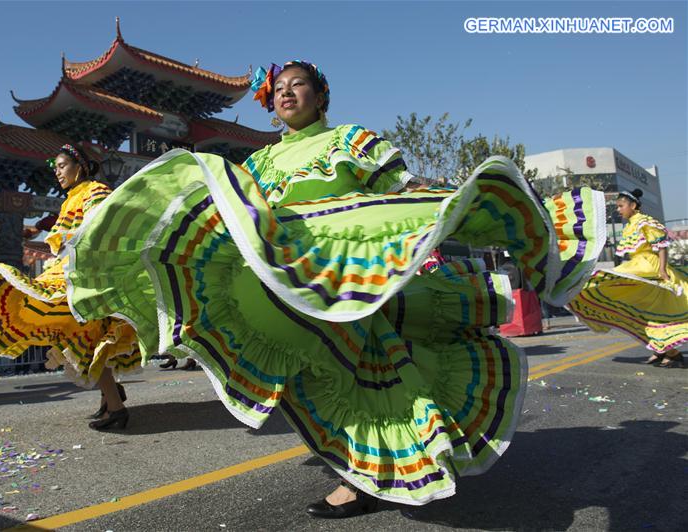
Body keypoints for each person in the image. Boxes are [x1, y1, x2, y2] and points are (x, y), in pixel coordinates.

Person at [64, 60, 606, 513]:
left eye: (296, 85)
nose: (285, 95)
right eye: (277, 90)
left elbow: (398, 188)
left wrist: (435, 199)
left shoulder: (351, 140)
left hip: (349, 273)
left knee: (369, 369)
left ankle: (363, 479)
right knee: (313, 378)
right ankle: (370, 469)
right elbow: (248, 218)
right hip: (289, 279)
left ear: (321, 94)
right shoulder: (259, 160)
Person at [0, 144, 141, 429]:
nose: (57, 172)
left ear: (81, 167)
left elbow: (101, 229)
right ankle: (110, 398)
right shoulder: (70, 199)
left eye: (62, 166)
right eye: (55, 168)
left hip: (89, 277)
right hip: (70, 273)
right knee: (78, 334)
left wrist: (74, 243)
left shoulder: (96, 191)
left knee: (83, 334)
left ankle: (115, 407)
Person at [568, 189, 687, 367]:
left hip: (649, 267)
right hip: (638, 265)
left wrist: (662, 270)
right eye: (617, 206)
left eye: (621, 206)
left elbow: (661, 247)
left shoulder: (644, 222)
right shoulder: (631, 224)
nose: (618, 209)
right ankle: (661, 350)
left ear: (632, 205)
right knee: (642, 309)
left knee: (660, 310)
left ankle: (672, 353)